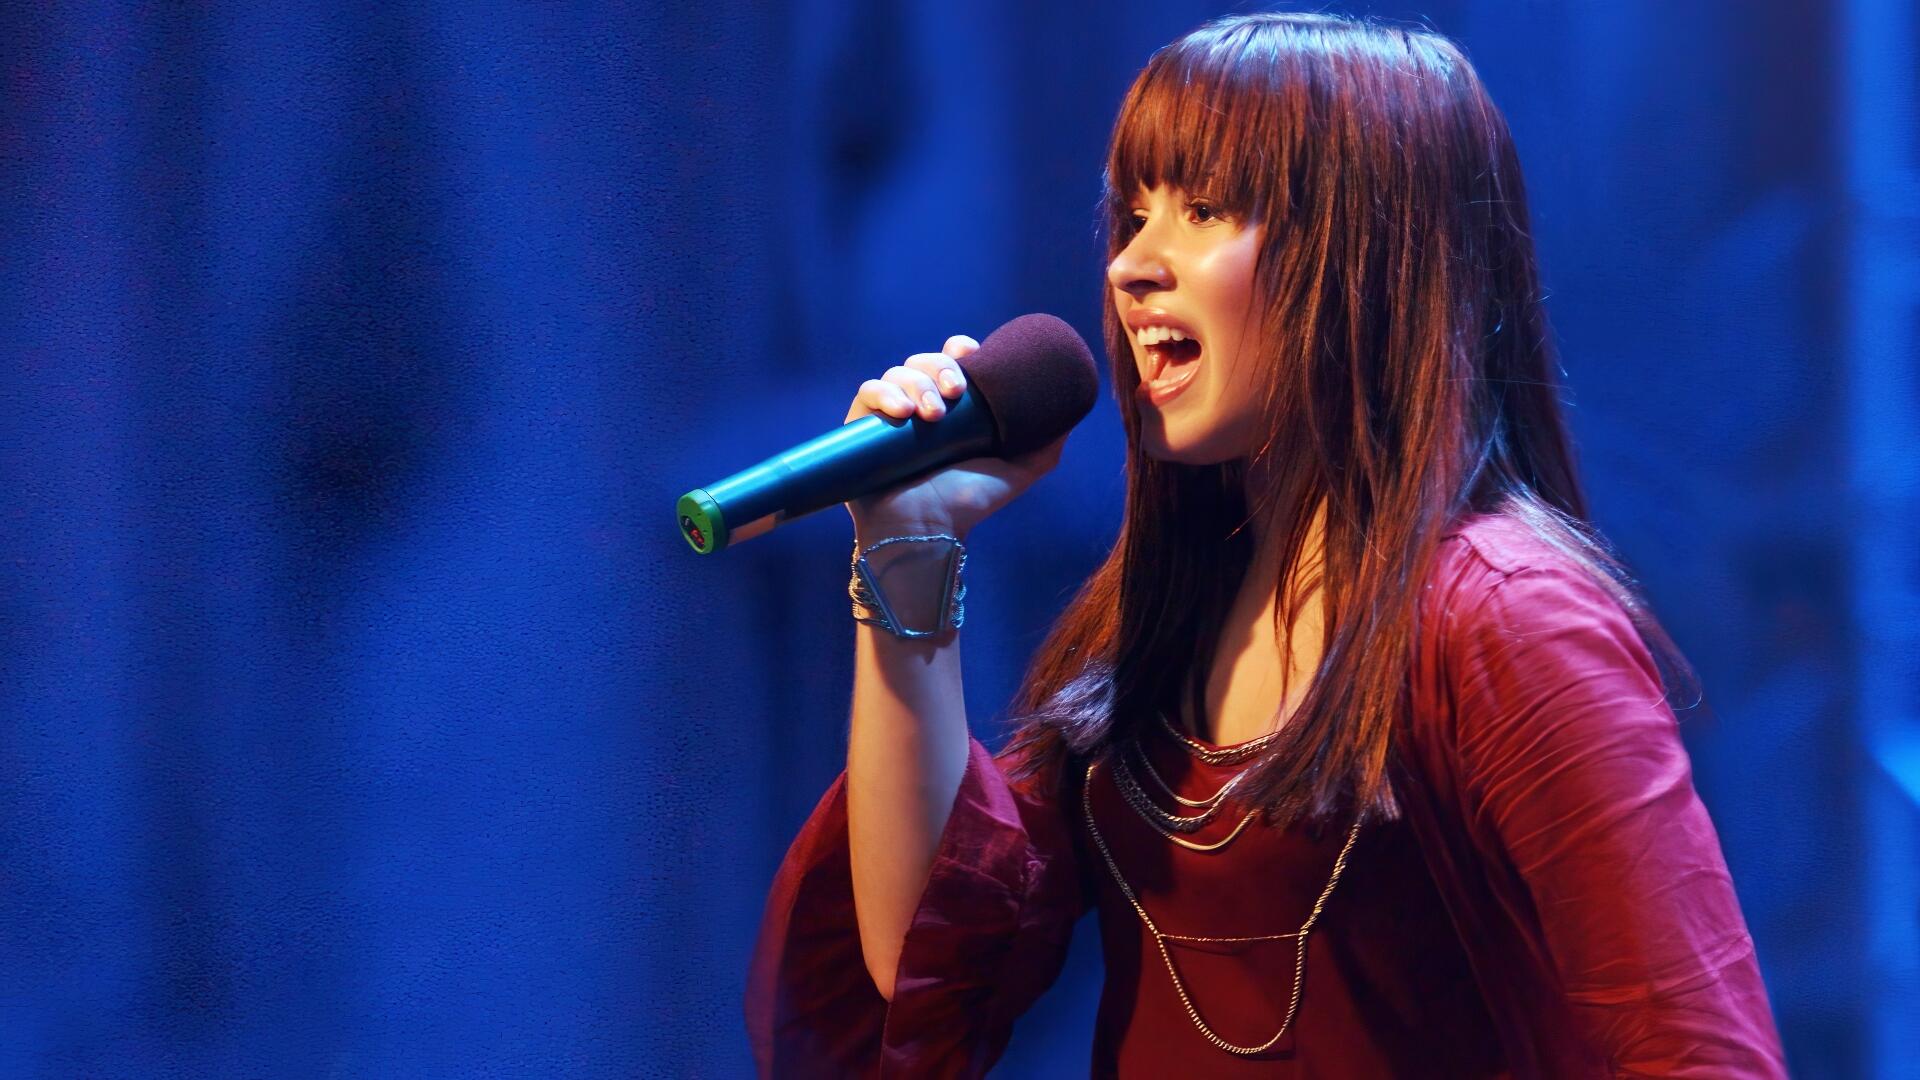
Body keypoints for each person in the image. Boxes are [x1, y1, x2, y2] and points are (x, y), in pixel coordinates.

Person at [745, 11, 1788, 1077]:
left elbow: (1698, 1049)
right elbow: (922, 954)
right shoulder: (1167, 614)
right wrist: (906, 540)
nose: (1132, 267)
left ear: (1366, 255)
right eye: (1133, 212)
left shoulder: (1511, 616)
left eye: (1202, 210)